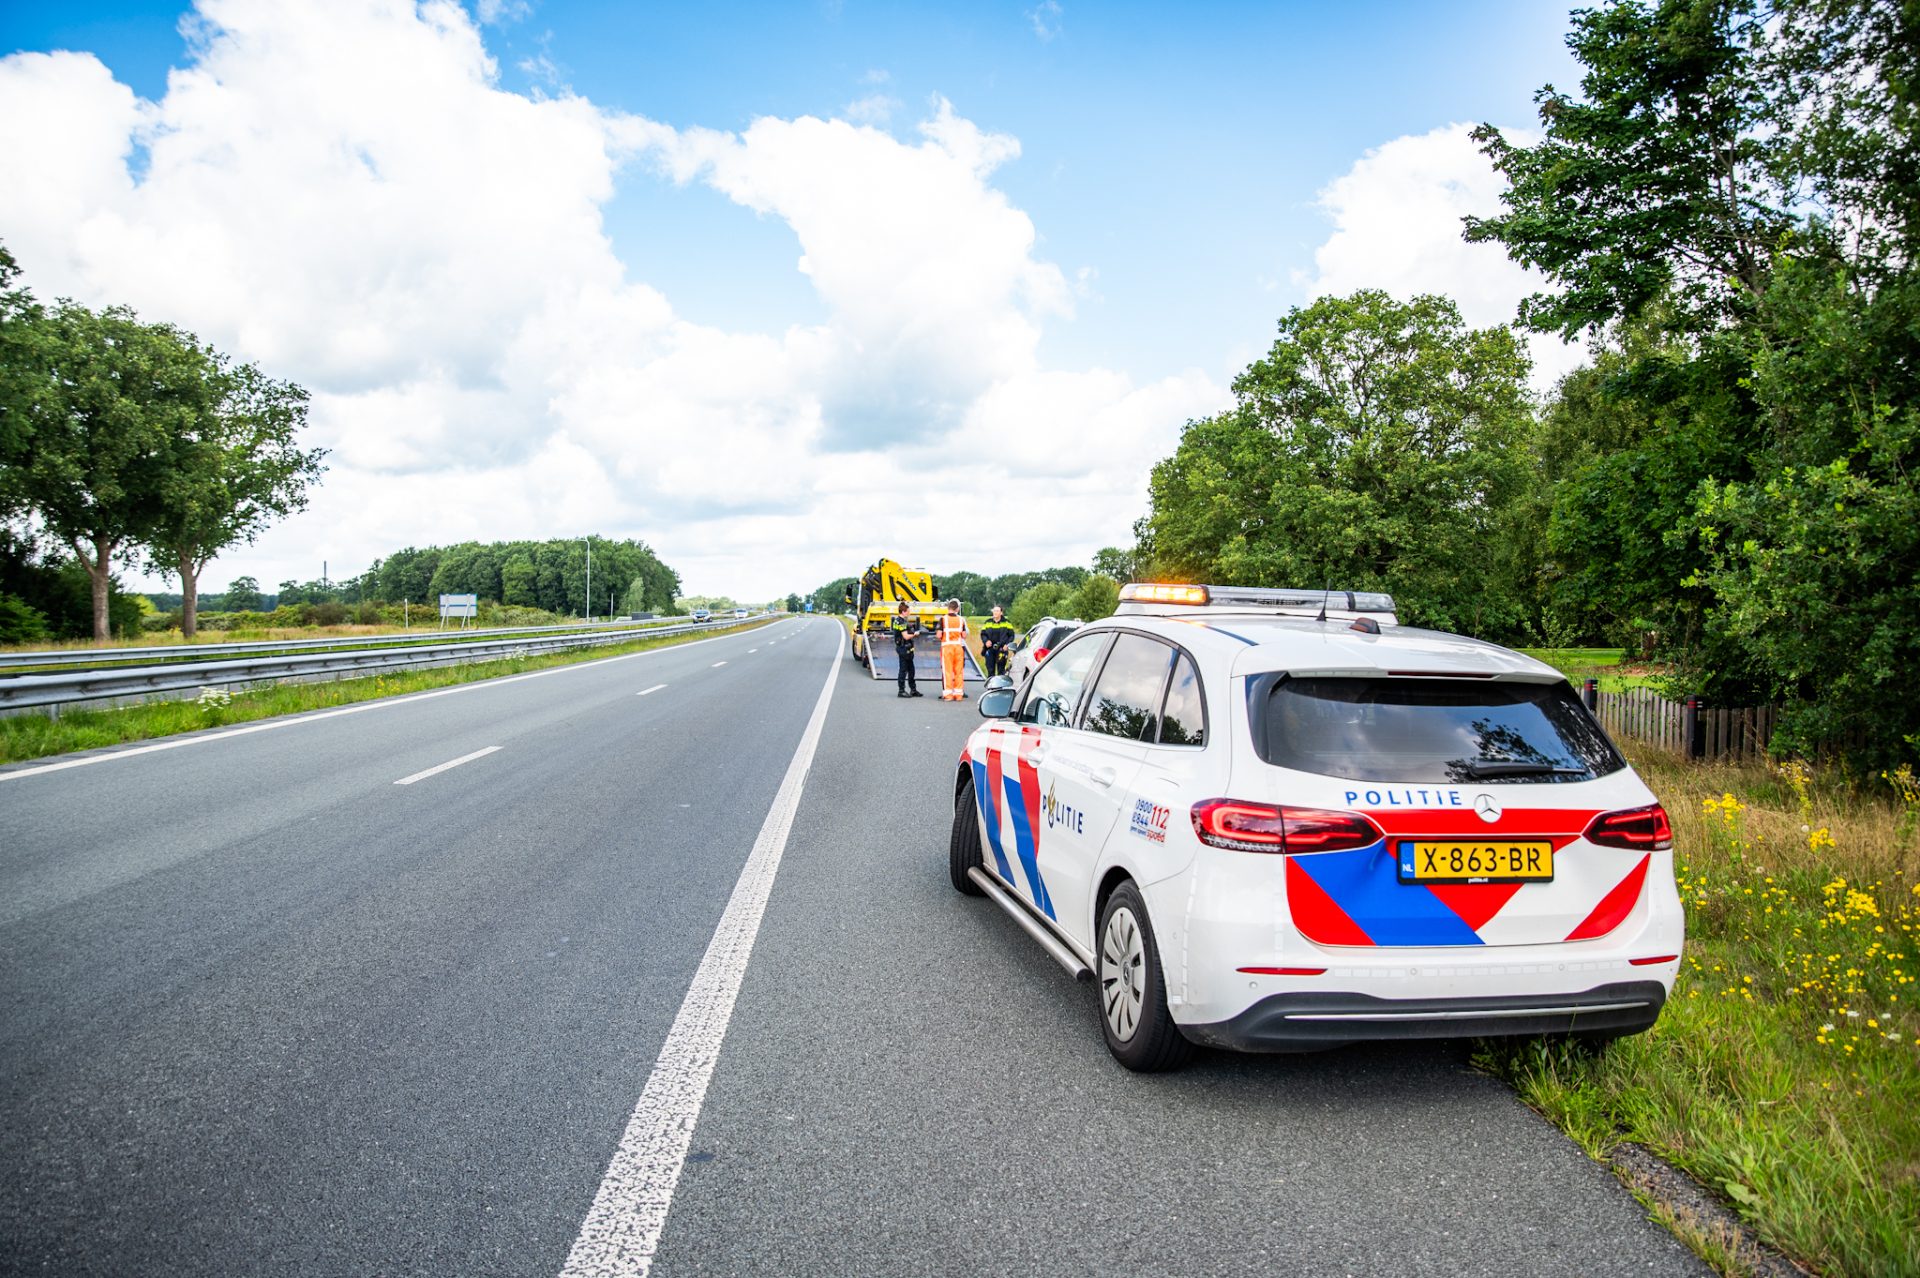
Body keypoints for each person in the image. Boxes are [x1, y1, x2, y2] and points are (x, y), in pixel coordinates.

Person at [938, 599, 970, 701]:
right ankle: (958, 694)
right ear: (957, 609)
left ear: (948, 608)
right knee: (959, 671)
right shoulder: (961, 620)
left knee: (947, 671)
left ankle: (948, 695)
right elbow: (964, 635)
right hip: (958, 647)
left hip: (947, 647)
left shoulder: (943, 619)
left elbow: (939, 635)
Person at [891, 601, 923, 698]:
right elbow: (905, 636)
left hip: (907, 648)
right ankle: (901, 691)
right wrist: (915, 634)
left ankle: (913, 690)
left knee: (911, 670)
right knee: (903, 670)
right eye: (908, 611)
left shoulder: (901, 620)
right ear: (903, 611)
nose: (909, 612)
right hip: (903, 648)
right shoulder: (900, 621)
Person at [979, 605, 1015, 679]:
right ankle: (991, 687)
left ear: (1001, 613)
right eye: (994, 611)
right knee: (990, 669)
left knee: (1001, 670)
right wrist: (986, 641)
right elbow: (983, 634)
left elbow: (1011, 636)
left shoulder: (1007, 623)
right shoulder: (988, 622)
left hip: (1002, 649)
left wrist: (1007, 645)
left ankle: (1000, 688)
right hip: (990, 649)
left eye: (997, 611)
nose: (995, 612)